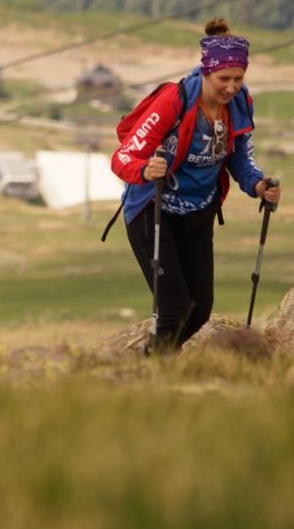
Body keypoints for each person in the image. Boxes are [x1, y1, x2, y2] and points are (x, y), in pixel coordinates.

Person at [110, 18, 282, 352]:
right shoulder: (173, 102)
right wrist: (145, 169)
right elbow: (122, 157)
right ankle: (150, 371)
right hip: (153, 211)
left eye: (238, 78)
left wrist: (258, 184)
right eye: (224, 79)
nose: (231, 87)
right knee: (174, 309)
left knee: (199, 310)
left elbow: (240, 159)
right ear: (206, 72)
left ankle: (157, 361)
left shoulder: (240, 104)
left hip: (199, 213)